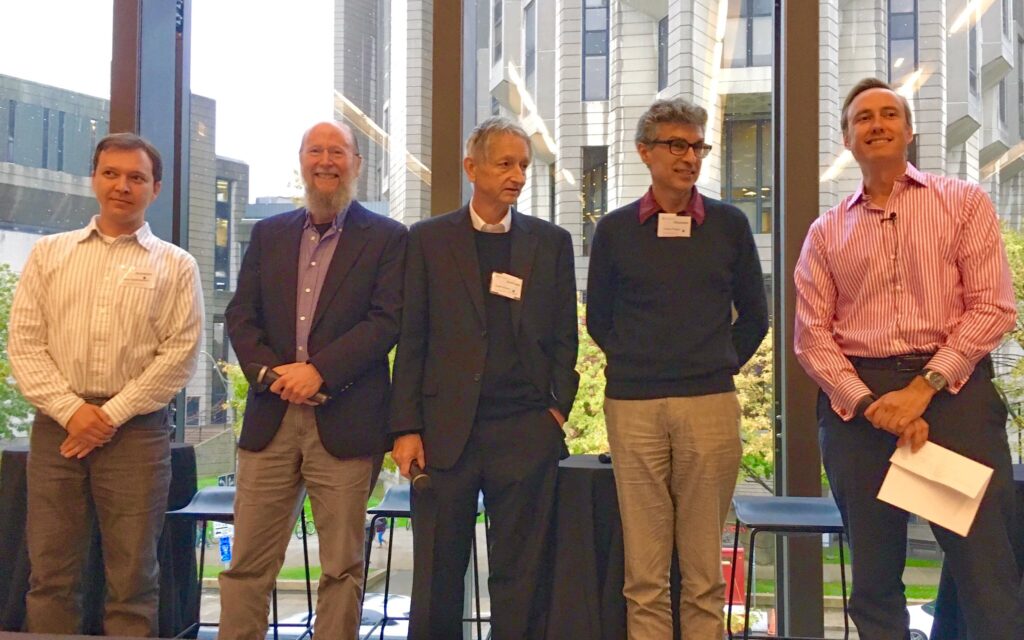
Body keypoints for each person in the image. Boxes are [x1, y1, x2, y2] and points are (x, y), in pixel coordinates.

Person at [794, 77, 1024, 638]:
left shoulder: (962, 202)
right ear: (848, 140)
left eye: (888, 114)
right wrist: (873, 404)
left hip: (952, 395)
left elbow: (993, 308)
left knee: (983, 568)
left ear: (909, 130)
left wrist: (921, 389)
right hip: (859, 408)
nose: (877, 124)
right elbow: (812, 338)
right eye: (863, 118)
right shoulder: (825, 233)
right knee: (873, 576)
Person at [389, 116, 579, 639]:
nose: (517, 175)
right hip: (444, 431)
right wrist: (405, 427)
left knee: (520, 575)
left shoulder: (550, 242)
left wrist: (556, 410)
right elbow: (412, 338)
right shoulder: (426, 240)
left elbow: (566, 337)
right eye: (505, 164)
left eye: (523, 165)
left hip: (525, 430)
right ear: (472, 168)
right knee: (436, 575)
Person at [585, 98, 769, 638]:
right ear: (645, 152)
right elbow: (599, 318)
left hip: (709, 404)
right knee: (643, 575)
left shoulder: (729, 225)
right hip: (633, 405)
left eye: (697, 146)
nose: (689, 157)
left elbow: (756, 315)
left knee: (703, 573)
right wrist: (644, 361)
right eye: (676, 145)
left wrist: (714, 363)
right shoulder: (615, 230)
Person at [9, 133, 204, 636]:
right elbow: (26, 346)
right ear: (94, 179)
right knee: (51, 573)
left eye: (136, 177)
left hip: (137, 434)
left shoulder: (177, 266)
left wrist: (108, 417)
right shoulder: (50, 255)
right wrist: (74, 413)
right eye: (112, 174)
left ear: (155, 188)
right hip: (58, 429)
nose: (123, 186)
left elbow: (178, 358)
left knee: (135, 577)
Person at [218, 121, 407, 639]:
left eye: (338, 152)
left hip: (346, 423)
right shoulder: (268, 233)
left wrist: (319, 371)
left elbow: (385, 321)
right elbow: (241, 316)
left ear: (357, 164)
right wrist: (272, 374)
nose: (327, 161)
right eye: (316, 151)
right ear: (301, 160)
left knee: (342, 569)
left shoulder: (389, 238)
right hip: (270, 419)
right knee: (247, 566)